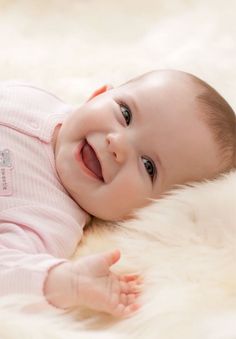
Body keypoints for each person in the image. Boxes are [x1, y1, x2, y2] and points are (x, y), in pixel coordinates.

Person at [0, 70, 235, 317]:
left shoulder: (49, 220)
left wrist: (61, 282)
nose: (118, 144)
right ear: (98, 95)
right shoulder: (33, 97)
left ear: (141, 212)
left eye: (148, 166)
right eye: (125, 114)